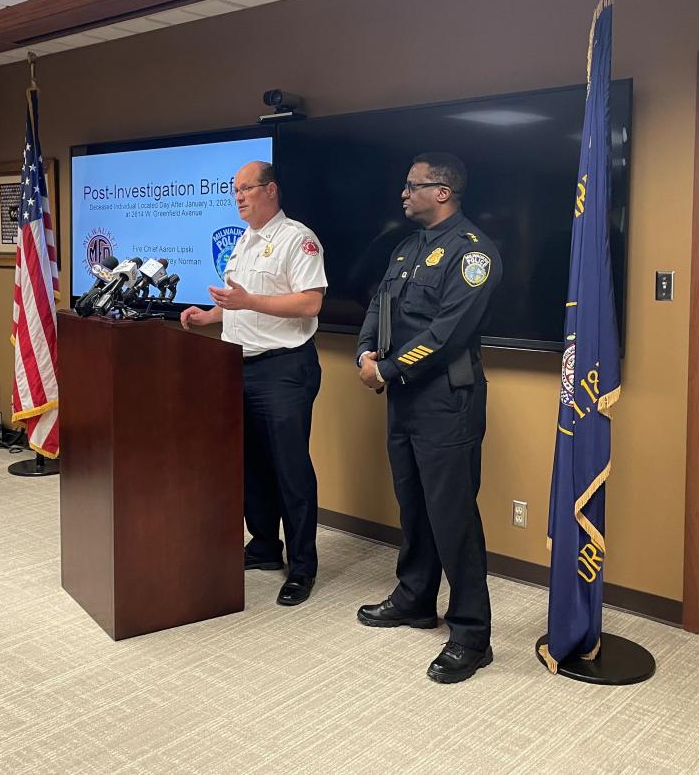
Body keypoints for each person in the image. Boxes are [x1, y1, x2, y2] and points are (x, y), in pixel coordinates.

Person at [355, 152, 503, 683]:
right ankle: (415, 598)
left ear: (442, 192)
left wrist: (388, 369)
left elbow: (447, 334)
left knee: (453, 516)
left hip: (446, 399)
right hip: (403, 397)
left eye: (413, 185)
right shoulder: (406, 247)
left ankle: (471, 634)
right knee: (413, 504)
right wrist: (366, 353)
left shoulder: (473, 255)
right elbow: (379, 305)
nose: (403, 193)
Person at [181, 160, 327, 607]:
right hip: (237, 366)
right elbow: (239, 304)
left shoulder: (297, 239)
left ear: (271, 191)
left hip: (283, 369)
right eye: (234, 190)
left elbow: (309, 303)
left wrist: (248, 300)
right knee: (250, 467)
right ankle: (265, 545)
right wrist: (210, 315)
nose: (239, 197)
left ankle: (302, 566)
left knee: (290, 470)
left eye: (247, 188)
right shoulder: (243, 242)